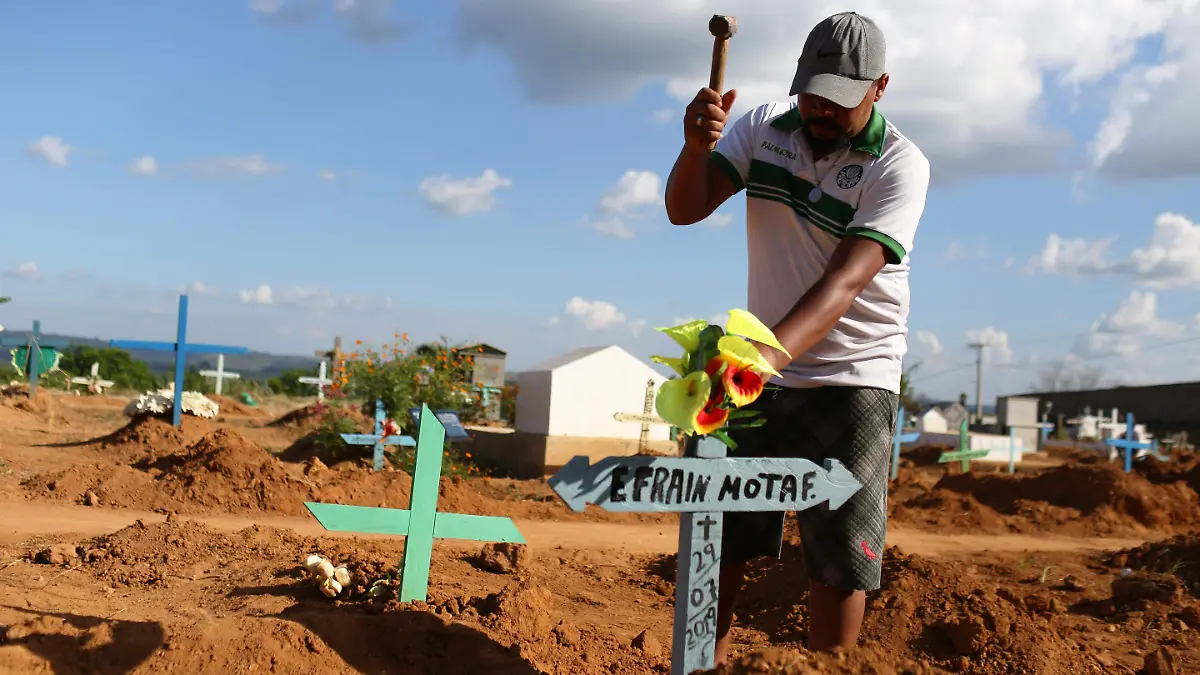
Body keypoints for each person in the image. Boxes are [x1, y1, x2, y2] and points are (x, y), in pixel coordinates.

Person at [663, 11, 930, 661]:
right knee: (718, 535)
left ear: (880, 88)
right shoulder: (763, 127)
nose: (820, 110)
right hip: (760, 366)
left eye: (838, 101)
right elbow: (685, 208)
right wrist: (696, 147)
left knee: (838, 556)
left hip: (852, 377)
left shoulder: (898, 166)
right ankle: (699, 662)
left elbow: (842, 285)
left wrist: (752, 359)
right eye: (812, 93)